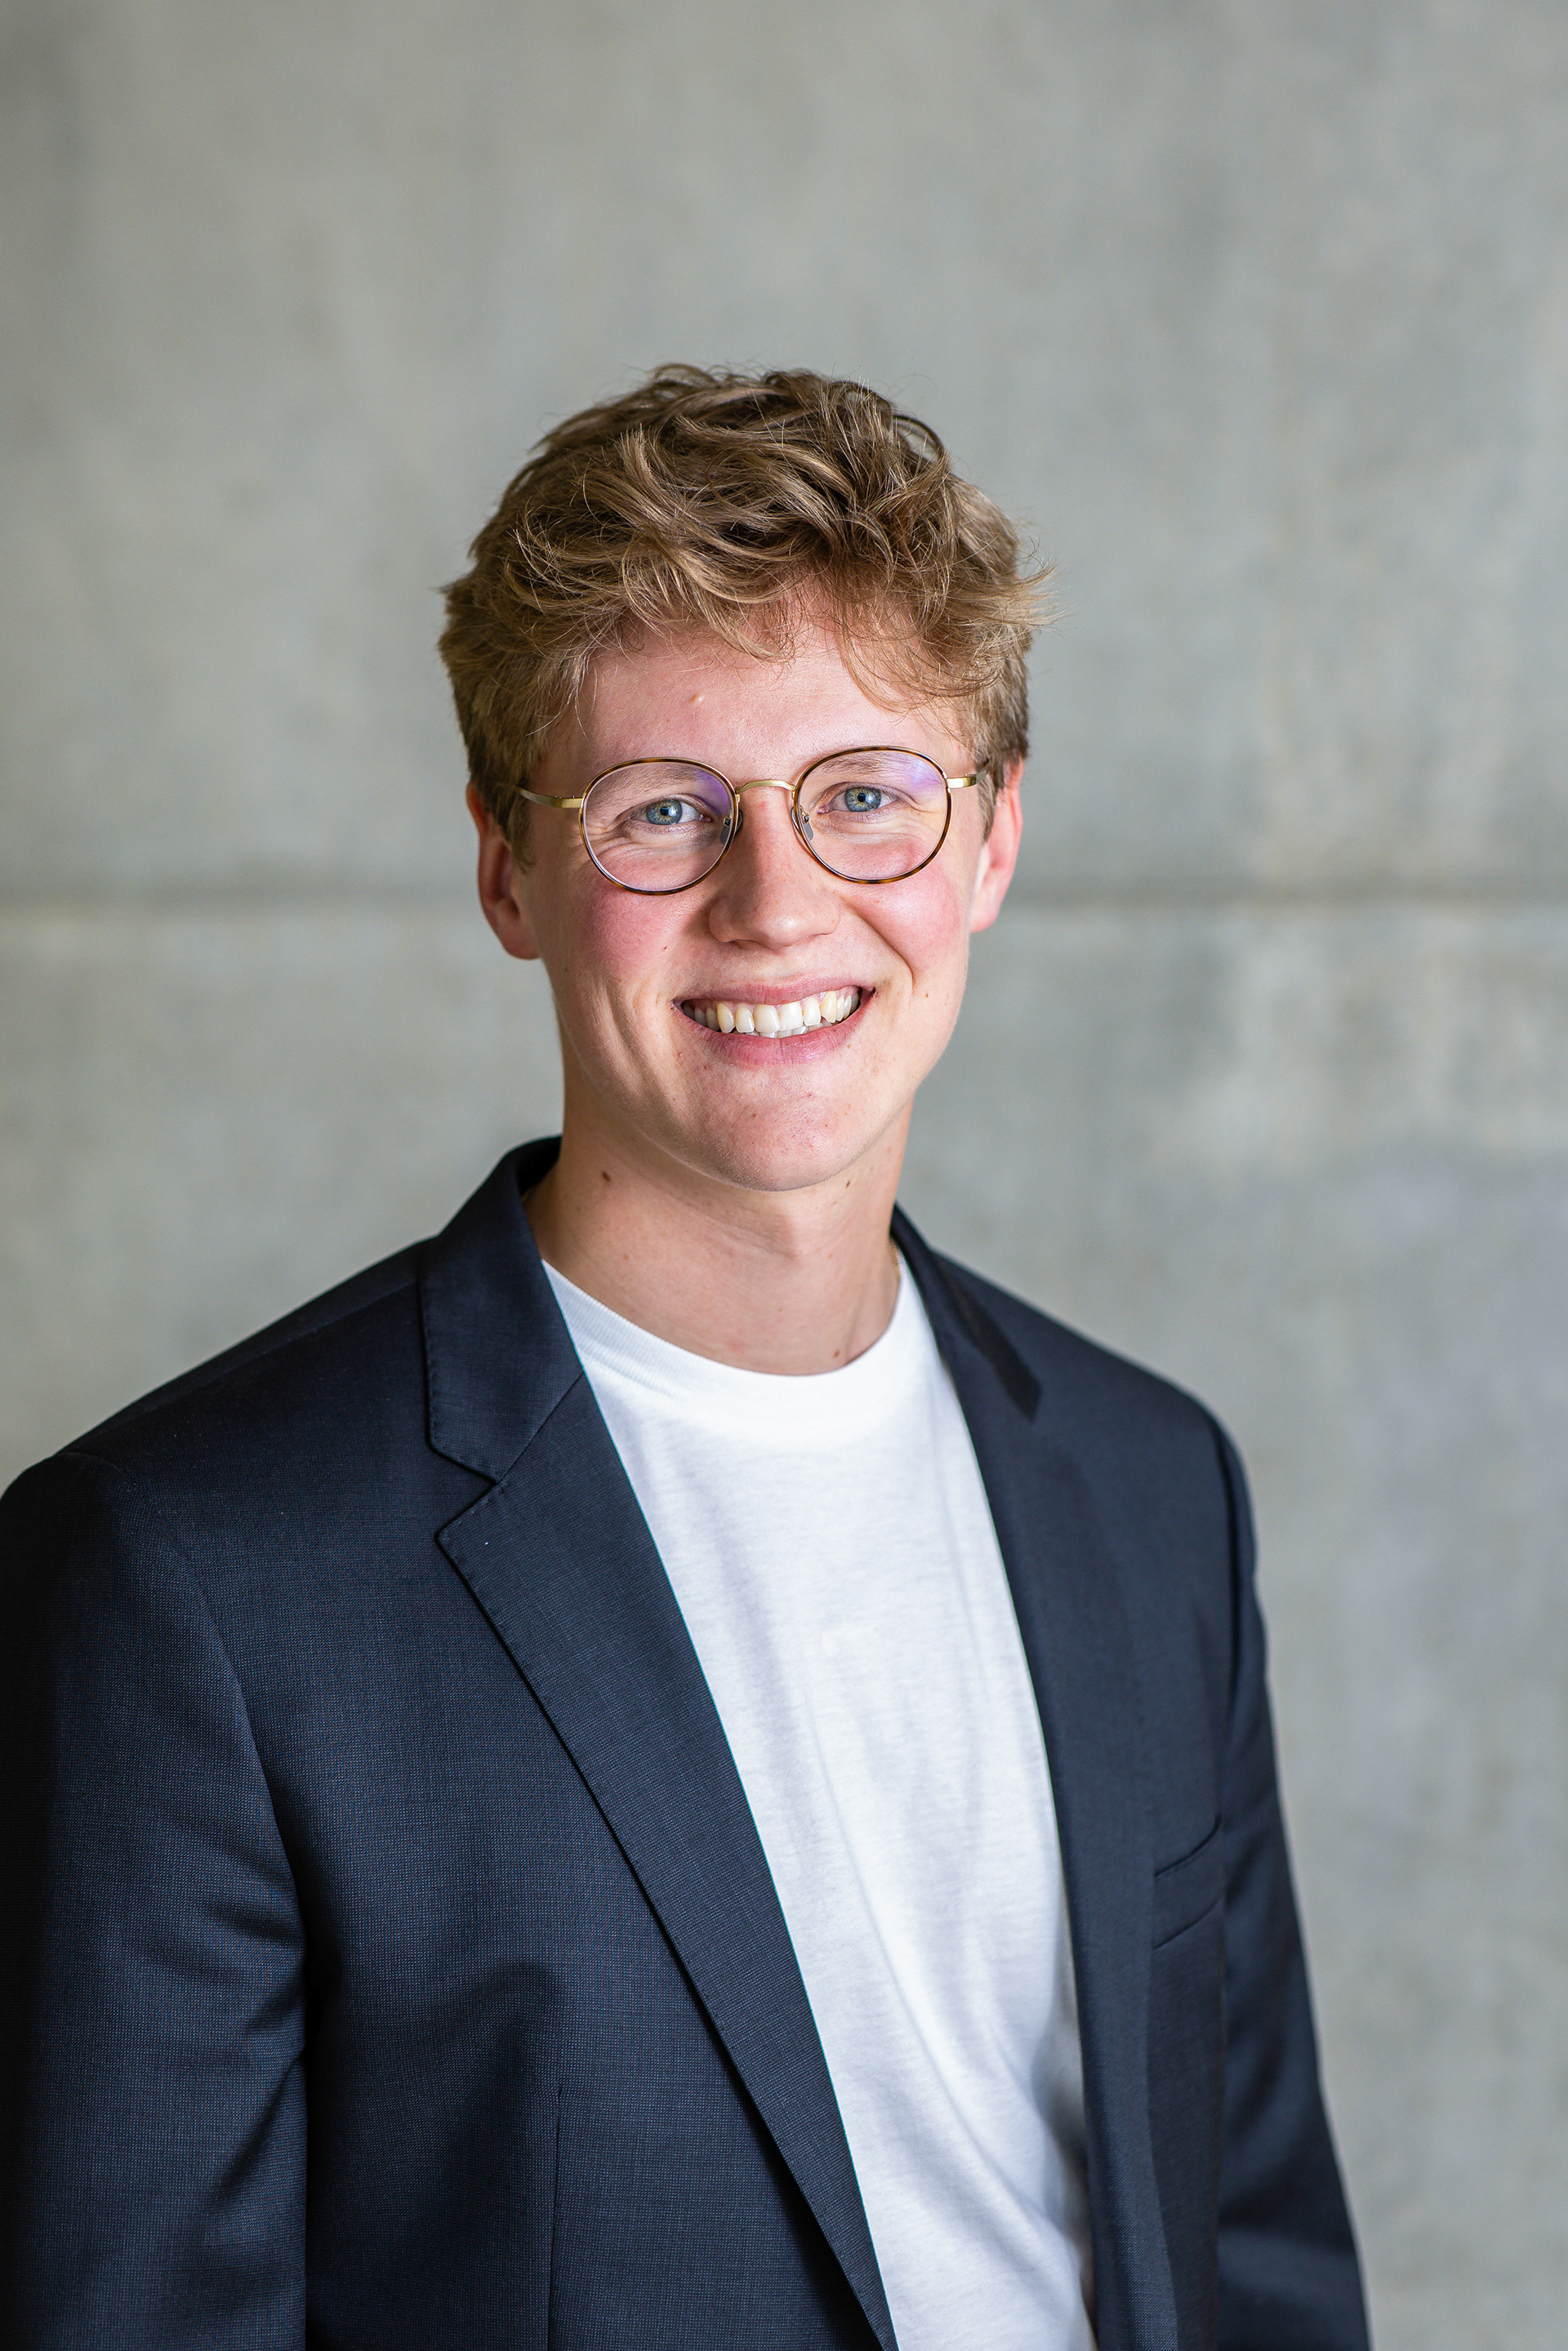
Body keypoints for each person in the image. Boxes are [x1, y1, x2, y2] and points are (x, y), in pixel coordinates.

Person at [0, 367, 1370, 2351]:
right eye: (663, 811)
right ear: (509, 867)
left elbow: (1256, 2259)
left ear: (992, 841)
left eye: (867, 796)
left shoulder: (1157, 1488)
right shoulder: (183, 1579)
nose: (778, 905)